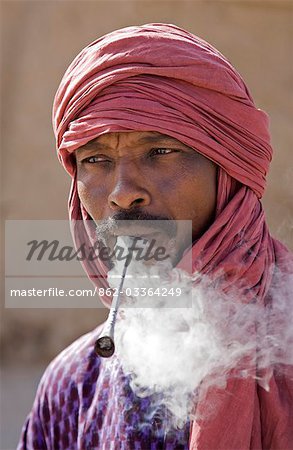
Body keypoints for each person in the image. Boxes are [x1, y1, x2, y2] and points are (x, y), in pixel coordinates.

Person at [18, 23, 292, 450]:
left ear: (229, 173)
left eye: (160, 152)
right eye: (95, 159)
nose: (123, 192)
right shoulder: (72, 386)